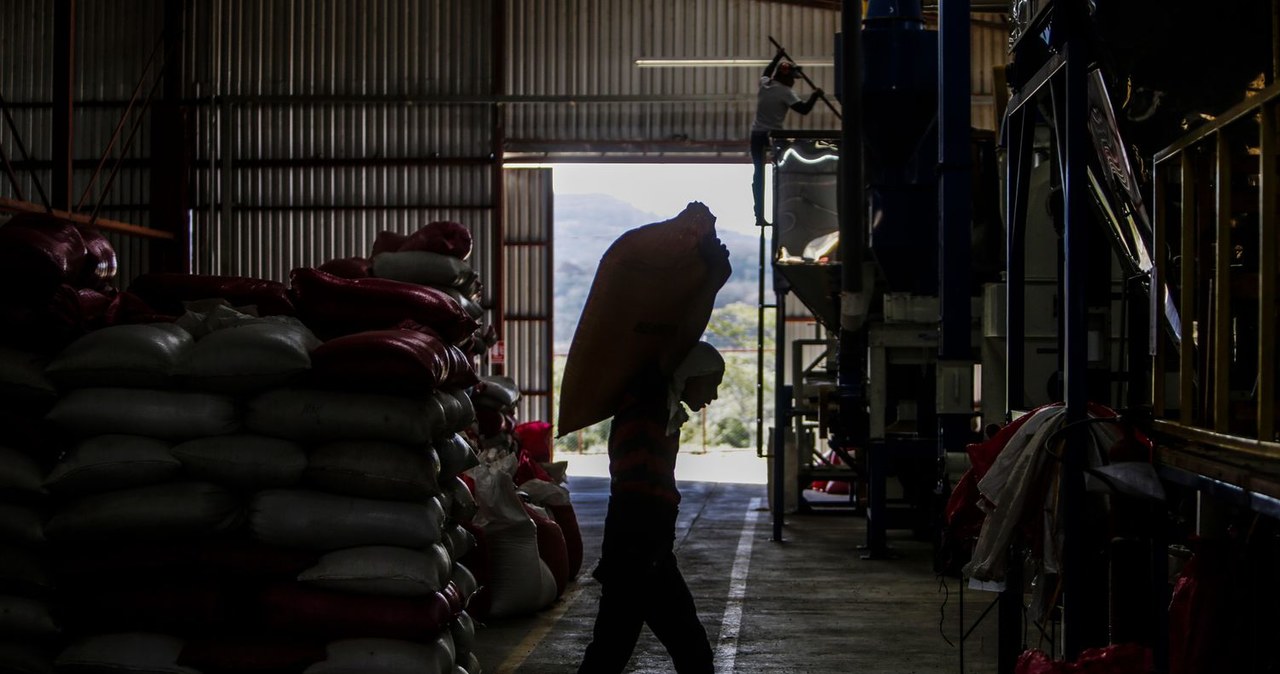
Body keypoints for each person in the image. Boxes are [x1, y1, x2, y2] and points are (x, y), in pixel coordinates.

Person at [577, 341, 727, 674]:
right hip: (640, 548)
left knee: (612, 649)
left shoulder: (657, 405)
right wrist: (649, 552)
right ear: (691, 375)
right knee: (688, 648)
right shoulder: (649, 407)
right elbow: (638, 483)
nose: (713, 396)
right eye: (712, 384)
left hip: (640, 547)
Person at [750, 50, 824, 226]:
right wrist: (816, 95)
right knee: (781, 174)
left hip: (756, 135)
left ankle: (759, 215)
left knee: (759, 174)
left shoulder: (766, 84)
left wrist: (777, 56)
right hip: (773, 137)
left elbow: (766, 72)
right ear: (787, 77)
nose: (793, 81)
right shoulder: (785, 92)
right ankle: (785, 211)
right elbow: (804, 110)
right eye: (792, 77)